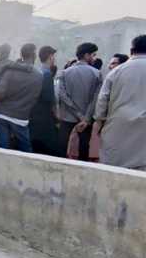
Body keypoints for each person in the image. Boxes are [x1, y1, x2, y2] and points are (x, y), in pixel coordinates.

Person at [94, 35, 146, 170]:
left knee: (113, 174)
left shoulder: (116, 71)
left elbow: (102, 102)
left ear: (131, 50)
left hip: (117, 129)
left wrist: (100, 121)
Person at [56, 42, 103, 160]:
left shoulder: (65, 73)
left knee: (61, 148)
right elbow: (95, 99)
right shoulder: (97, 74)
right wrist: (85, 118)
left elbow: (63, 96)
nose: (94, 58)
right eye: (93, 55)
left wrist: (77, 114)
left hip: (67, 117)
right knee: (84, 150)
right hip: (86, 120)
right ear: (86, 55)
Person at [0, 43, 43, 152]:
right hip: (21, 117)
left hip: (2, 114)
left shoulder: (11, 70)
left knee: (3, 149)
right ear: (34, 56)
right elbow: (35, 98)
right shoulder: (39, 75)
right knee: (26, 149)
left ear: (21, 54)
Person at [0, 44, 34, 146]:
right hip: (3, 105)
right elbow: (25, 68)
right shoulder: (8, 64)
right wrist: (28, 66)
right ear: (8, 53)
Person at [29, 46, 60, 156]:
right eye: (54, 57)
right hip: (44, 119)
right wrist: (57, 119)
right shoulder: (47, 75)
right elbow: (49, 100)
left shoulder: (36, 71)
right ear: (50, 57)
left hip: (33, 117)